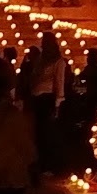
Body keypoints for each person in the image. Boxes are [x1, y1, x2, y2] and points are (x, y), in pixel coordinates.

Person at [30, 31, 67, 174]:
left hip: (47, 100)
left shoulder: (59, 61)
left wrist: (58, 104)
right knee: (37, 134)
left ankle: (49, 164)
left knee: (47, 134)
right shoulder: (40, 58)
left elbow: (59, 82)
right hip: (36, 99)